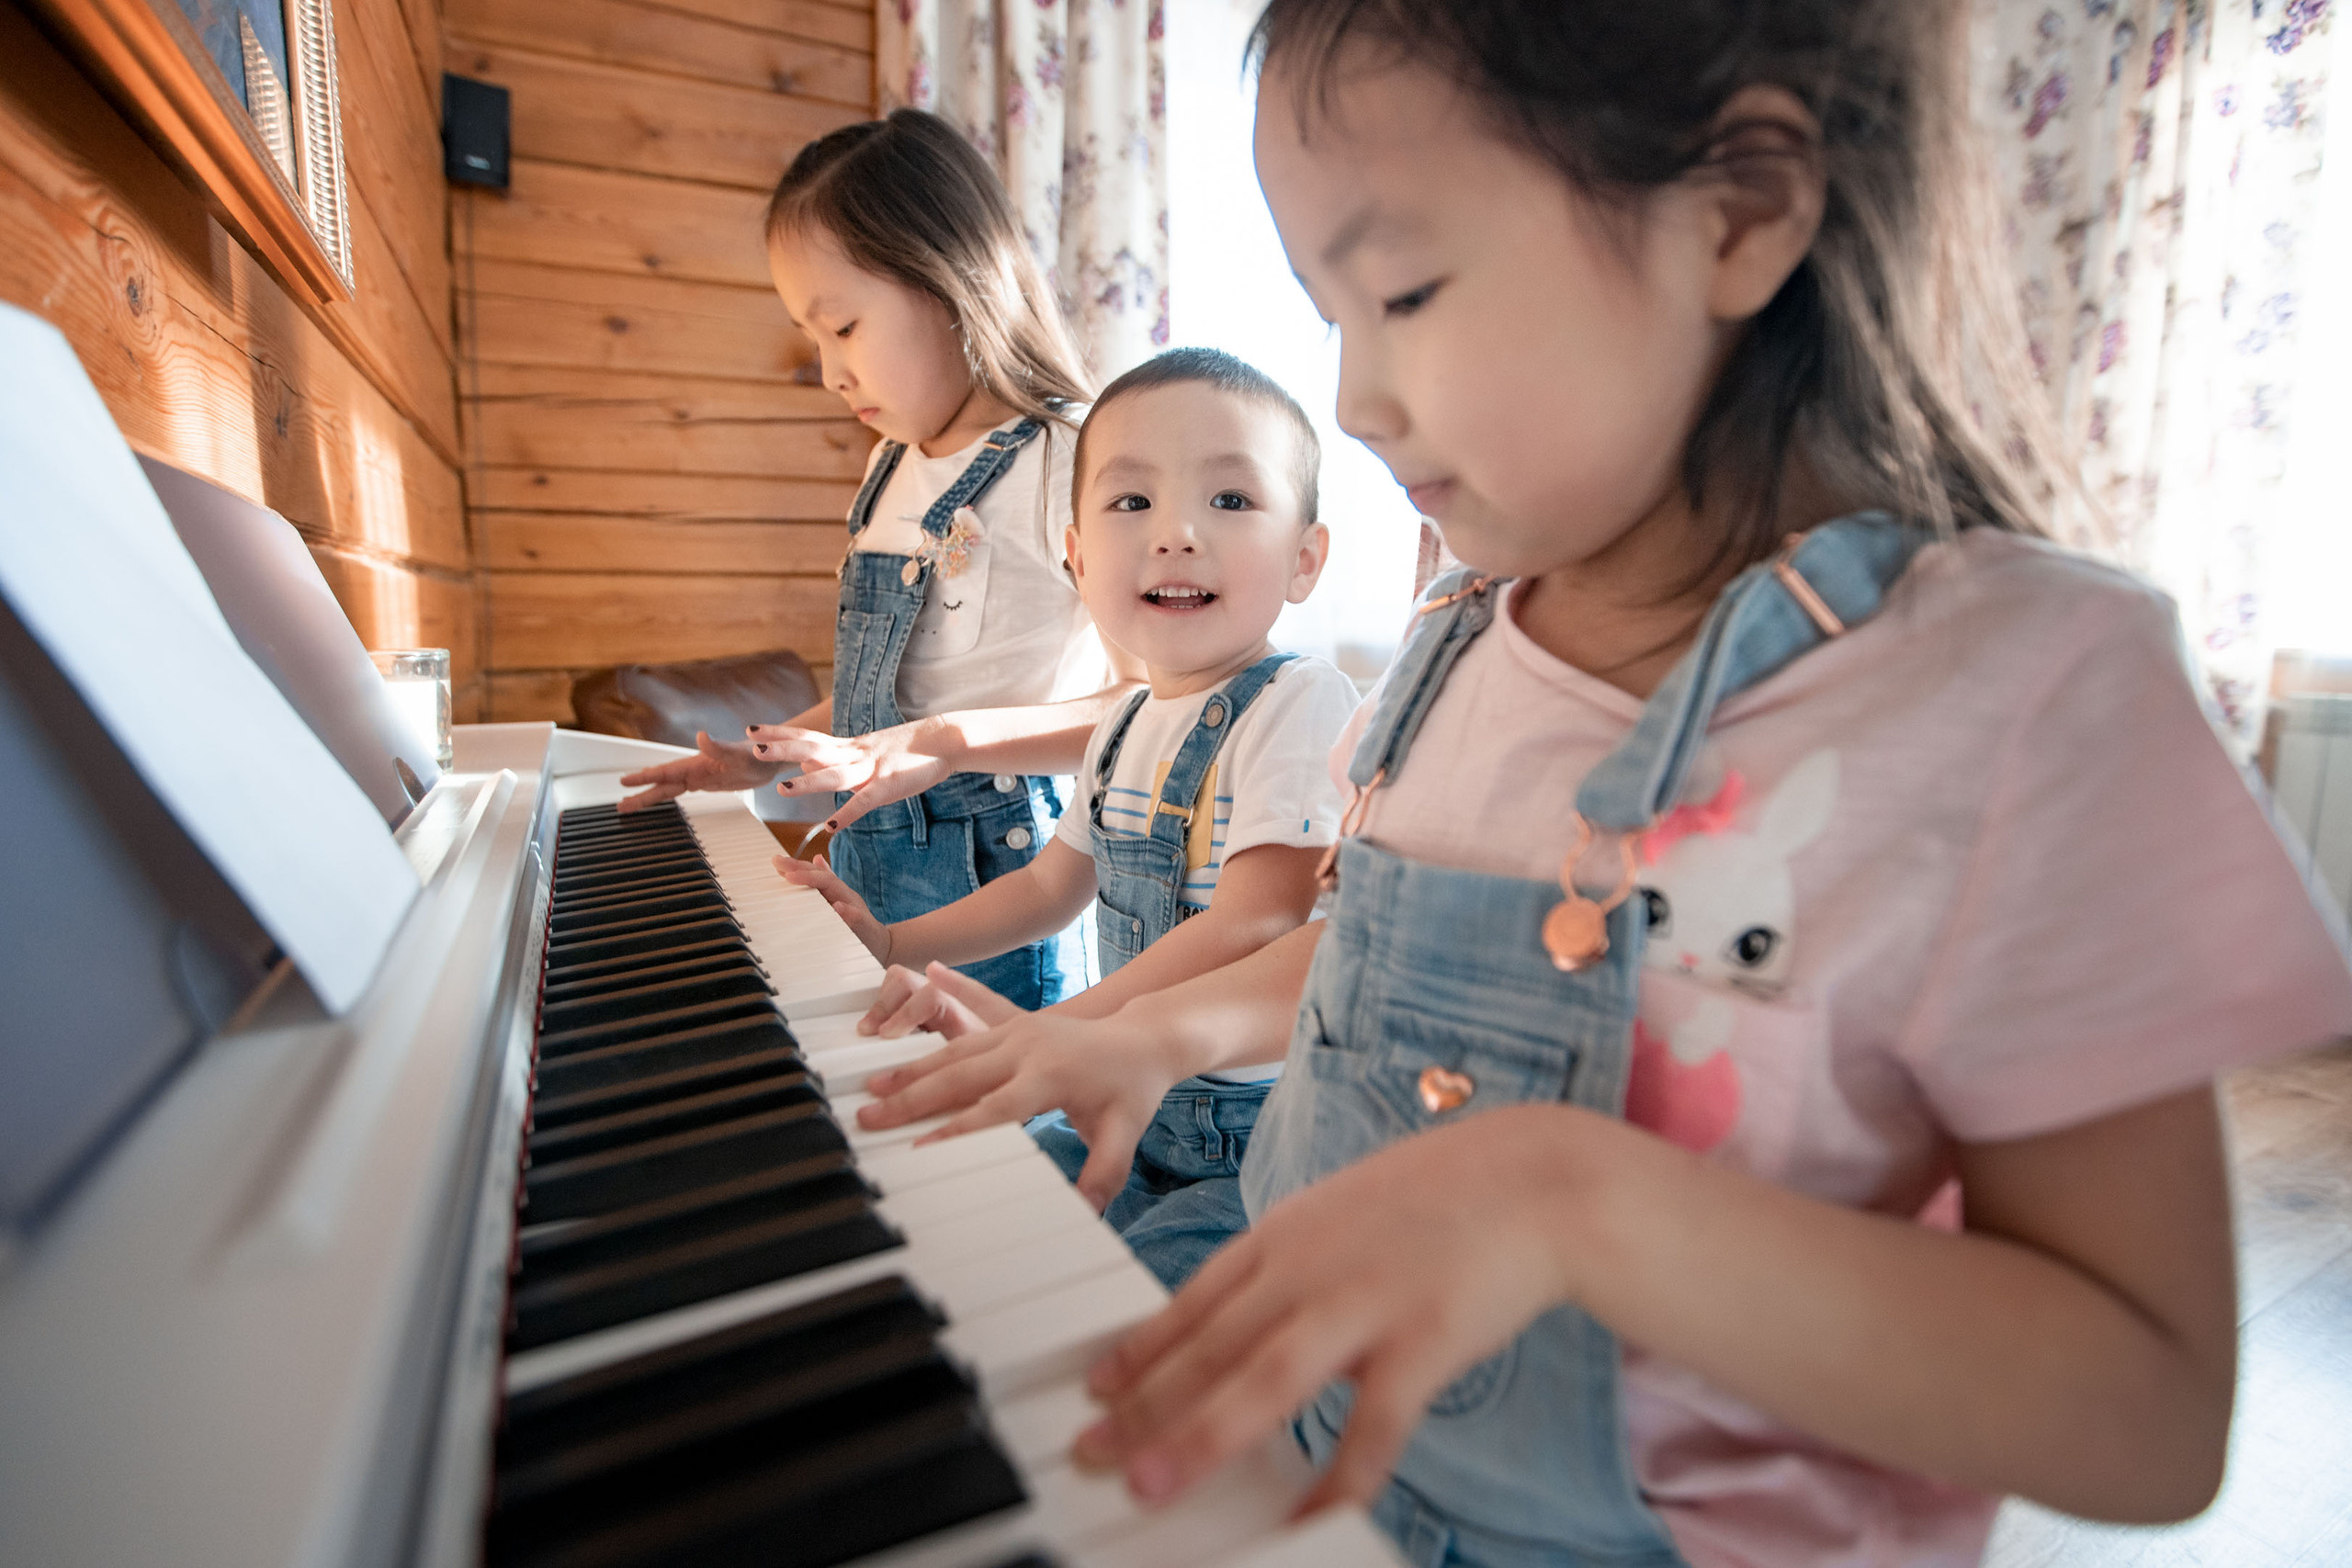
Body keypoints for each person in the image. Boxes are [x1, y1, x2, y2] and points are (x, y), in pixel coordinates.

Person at [854, 5, 2352, 1566]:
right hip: (1315, 1484)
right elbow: (1371, 953)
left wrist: (1582, 1202)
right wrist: (1131, 1032)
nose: (1357, 401)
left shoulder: (2027, 692)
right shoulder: (1454, 636)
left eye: (1407, 290)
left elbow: (2152, 1414)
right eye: (1331, 317)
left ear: (1744, 209)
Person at [779, 347, 1363, 1289]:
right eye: (1131, 503)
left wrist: (1070, 1033)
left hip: (1263, 1155)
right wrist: (890, 943)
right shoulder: (1125, 722)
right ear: (1077, 558)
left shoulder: (1297, 702)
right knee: (947, 1220)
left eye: (1230, 500)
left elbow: (1256, 920)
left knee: (1122, 1312)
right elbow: (1049, 889)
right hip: (1130, 1109)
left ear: (1304, 561)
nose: (1174, 533)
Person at [615, 108, 1140, 1009]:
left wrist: (946, 746)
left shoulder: (1069, 456)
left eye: (843, 327)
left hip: (998, 872)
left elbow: (1143, 710)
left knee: (998, 1121)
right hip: (869, 854)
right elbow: (891, 700)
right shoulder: (888, 463)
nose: (828, 373)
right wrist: (769, 755)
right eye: (810, 339)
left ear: (947, 284)